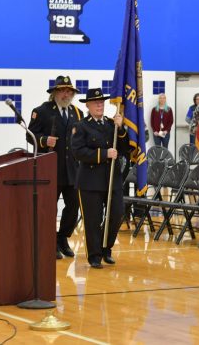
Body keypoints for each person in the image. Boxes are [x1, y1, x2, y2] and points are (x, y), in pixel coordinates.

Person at [71, 88, 131, 268]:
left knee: (117, 213)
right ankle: (95, 255)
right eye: (95, 102)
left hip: (112, 179)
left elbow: (125, 147)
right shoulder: (81, 126)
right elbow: (78, 152)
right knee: (92, 219)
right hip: (90, 180)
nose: (99, 105)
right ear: (87, 105)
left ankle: (107, 247)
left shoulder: (111, 124)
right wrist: (104, 153)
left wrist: (120, 129)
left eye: (101, 102)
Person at [28, 75, 83, 259]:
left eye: (69, 91)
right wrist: (44, 140)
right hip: (51, 169)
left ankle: (62, 238)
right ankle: (49, 240)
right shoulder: (42, 111)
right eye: (62, 90)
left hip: (72, 170)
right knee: (50, 208)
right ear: (55, 93)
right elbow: (30, 135)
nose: (66, 94)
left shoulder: (77, 112)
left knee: (74, 206)